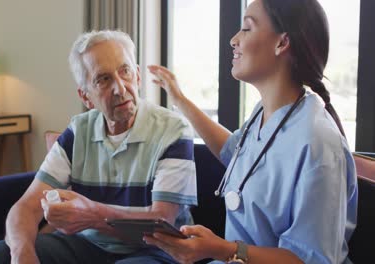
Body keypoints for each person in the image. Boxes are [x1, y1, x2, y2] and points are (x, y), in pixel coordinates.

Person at [144, 0, 357, 263]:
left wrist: (222, 249)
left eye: (246, 28)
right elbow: (236, 152)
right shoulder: (264, 114)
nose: (234, 39)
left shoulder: (318, 143)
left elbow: (311, 259)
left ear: (281, 43)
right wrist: (179, 99)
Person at [0, 30, 197, 264]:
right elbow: (25, 208)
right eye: (103, 79)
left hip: (155, 250)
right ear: (86, 96)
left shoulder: (173, 129)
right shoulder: (78, 131)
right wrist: (22, 254)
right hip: (89, 245)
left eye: (125, 71)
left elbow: (160, 226)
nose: (120, 88)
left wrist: (93, 216)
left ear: (138, 77)